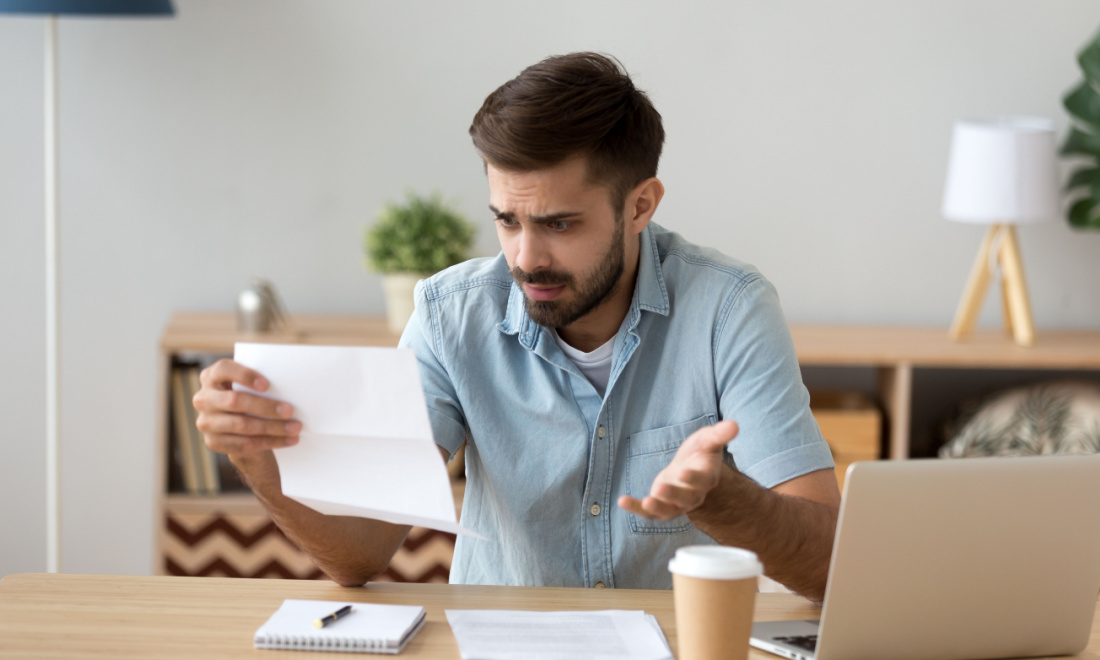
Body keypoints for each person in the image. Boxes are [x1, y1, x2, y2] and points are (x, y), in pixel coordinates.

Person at [194, 52, 841, 602]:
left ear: (640, 206)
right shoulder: (450, 317)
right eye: (507, 220)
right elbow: (361, 554)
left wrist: (723, 499)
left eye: (559, 224)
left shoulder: (730, 310)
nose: (526, 258)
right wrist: (257, 461)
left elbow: (827, 563)